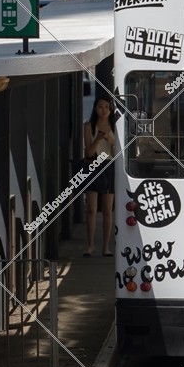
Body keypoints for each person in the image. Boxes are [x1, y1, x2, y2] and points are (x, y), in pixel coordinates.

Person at [83, 96, 115, 257]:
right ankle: (90, 245)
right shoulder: (89, 126)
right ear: (95, 109)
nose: (103, 110)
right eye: (100, 106)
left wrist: (110, 139)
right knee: (91, 208)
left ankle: (106, 247)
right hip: (94, 165)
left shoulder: (115, 126)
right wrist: (97, 139)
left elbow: (118, 154)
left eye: (106, 107)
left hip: (110, 166)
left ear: (111, 110)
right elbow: (88, 152)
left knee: (108, 210)